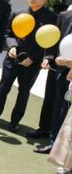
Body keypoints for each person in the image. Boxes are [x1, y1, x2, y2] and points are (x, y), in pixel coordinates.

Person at [0, 0, 57, 131]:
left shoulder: (51, 17)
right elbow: (8, 34)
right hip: (12, 59)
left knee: (24, 92)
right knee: (3, 88)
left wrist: (34, 58)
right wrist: (12, 47)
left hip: (32, 63)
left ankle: (15, 122)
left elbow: (50, 42)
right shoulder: (19, 13)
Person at [36, 8, 72, 154]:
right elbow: (56, 40)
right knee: (58, 109)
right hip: (61, 72)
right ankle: (54, 144)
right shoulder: (65, 16)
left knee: (67, 113)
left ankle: (64, 149)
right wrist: (49, 58)